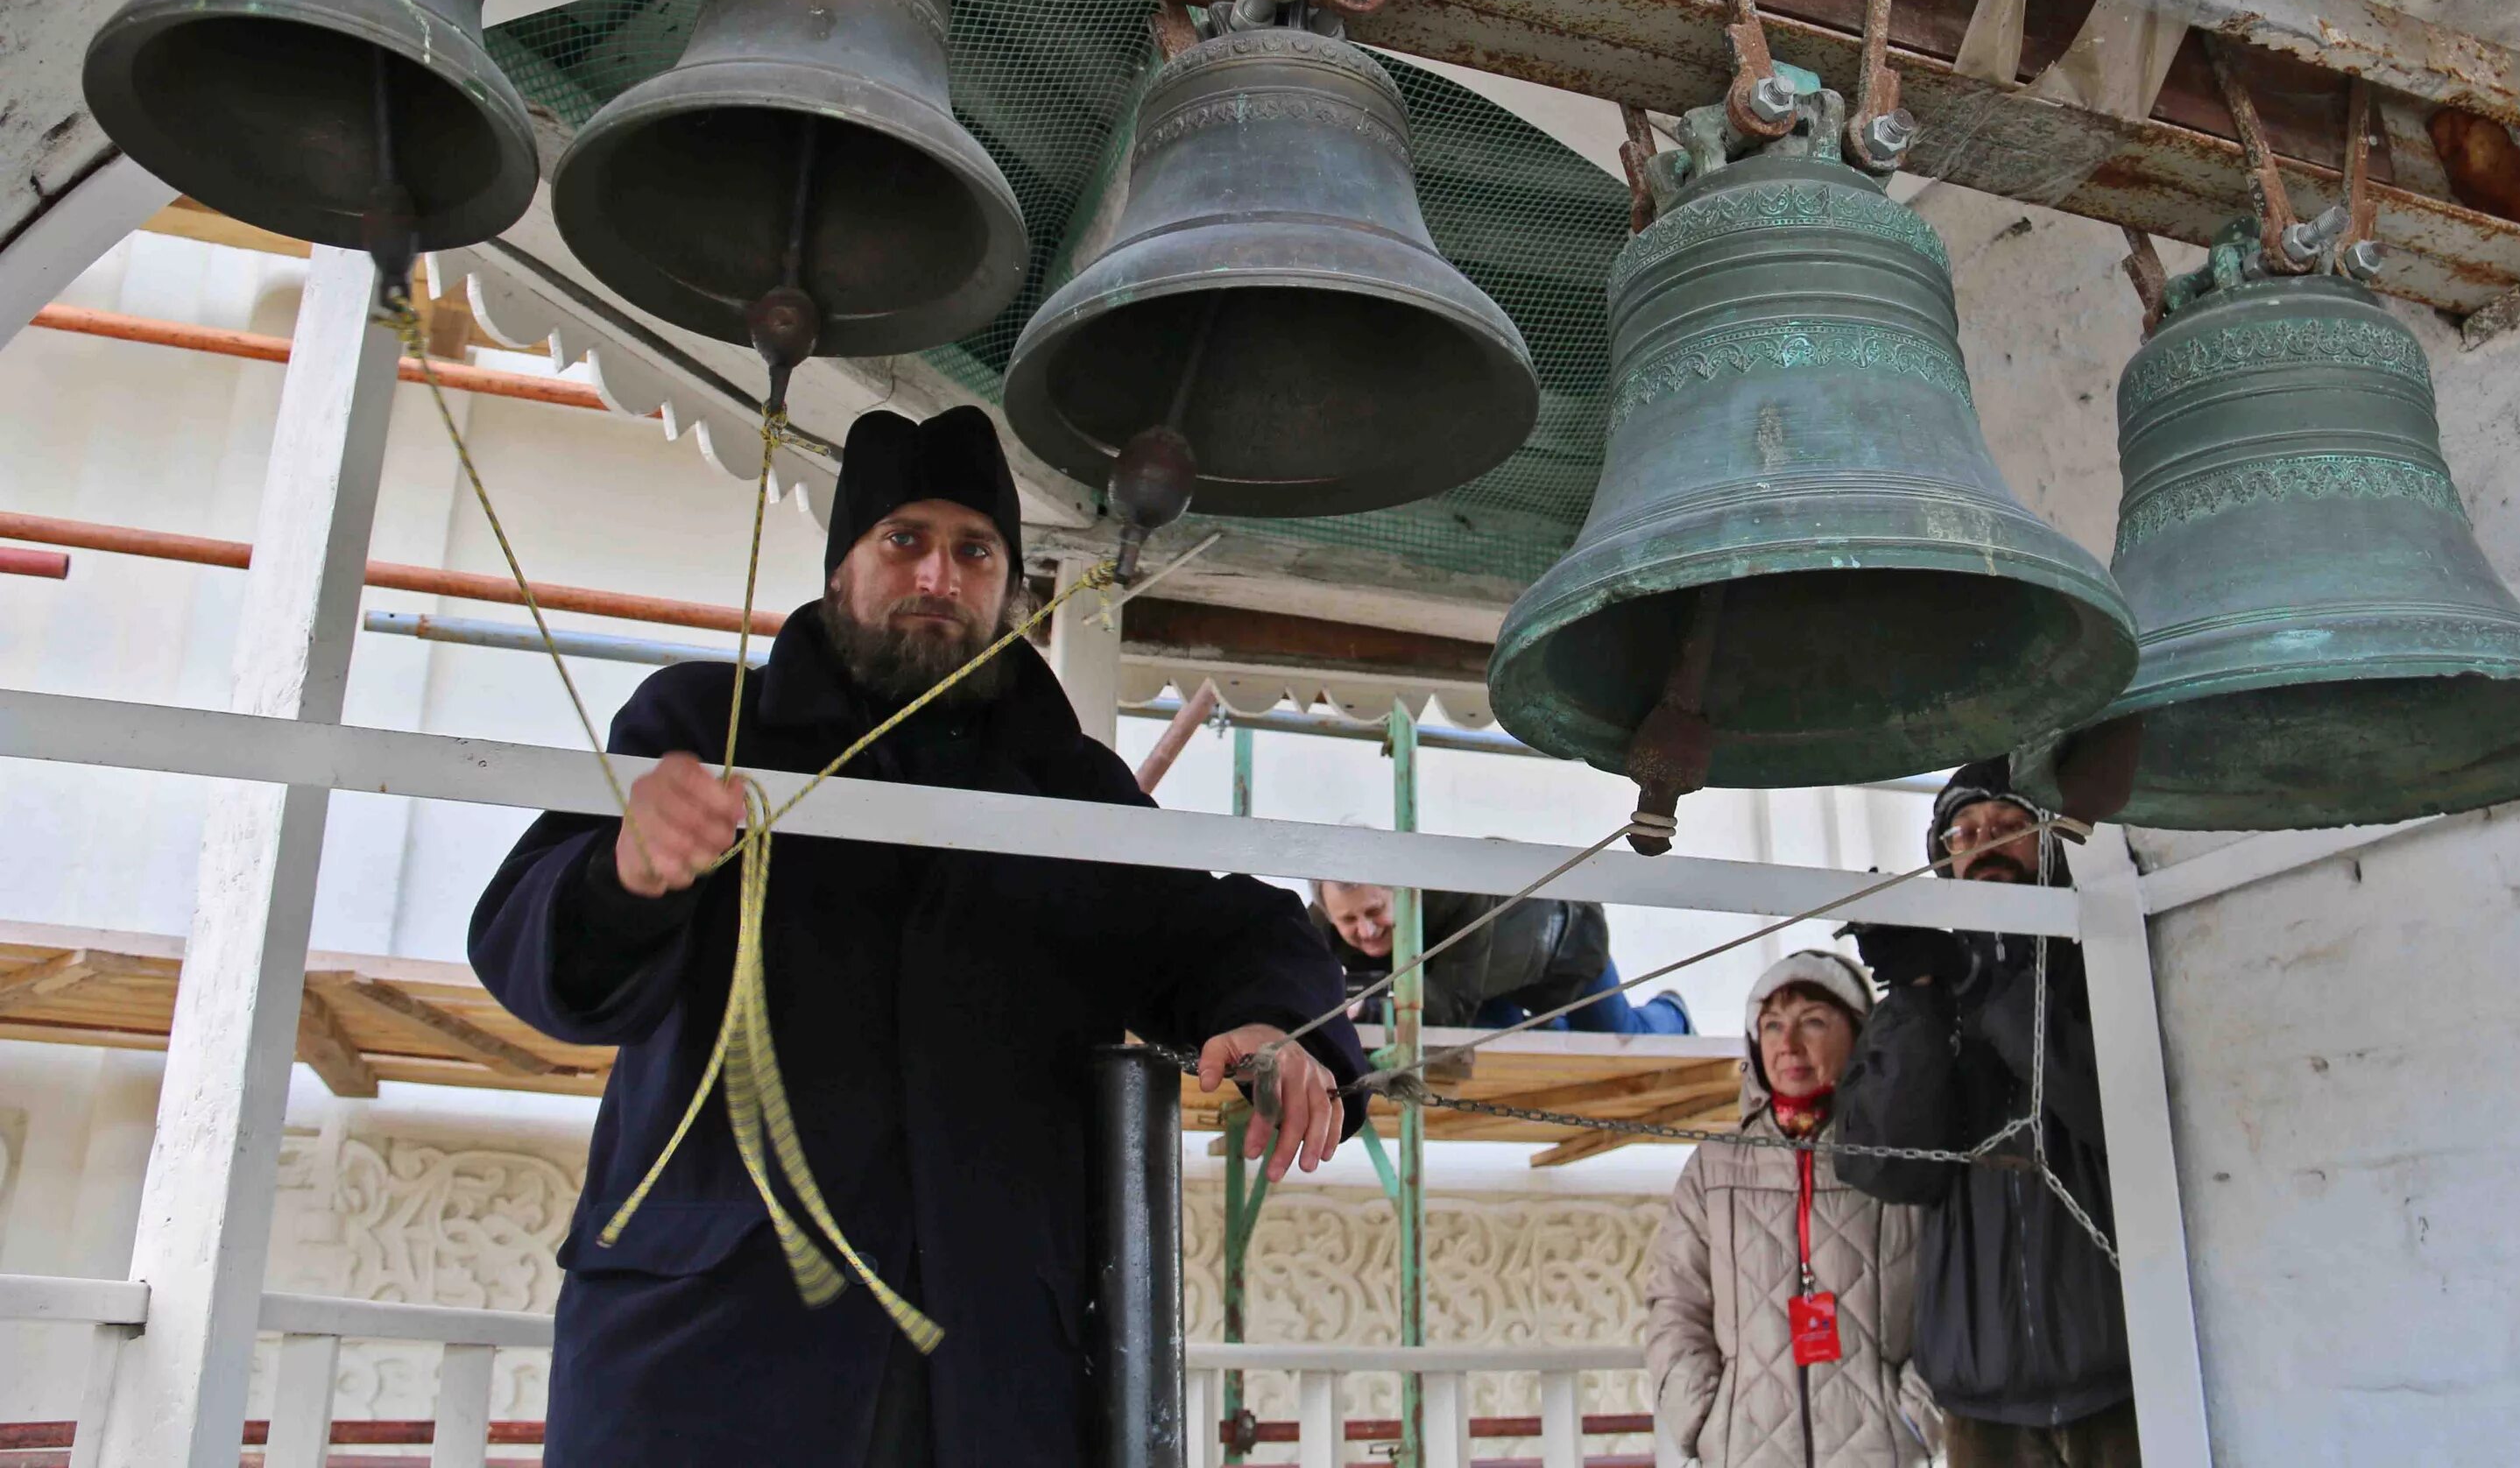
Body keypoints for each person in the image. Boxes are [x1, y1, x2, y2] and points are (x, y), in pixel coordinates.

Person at [469, 406, 1367, 1468]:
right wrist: (625, 870)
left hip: (988, 1381)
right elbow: (530, 949)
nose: (939, 576)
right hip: (710, 1363)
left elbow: (1215, 927)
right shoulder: (704, 730)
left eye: (974, 550)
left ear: (1009, 588)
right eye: (905, 541)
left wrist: (1278, 1022)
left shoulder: (1067, 786)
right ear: (840, 569)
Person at [1832, 759, 2135, 1468]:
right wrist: (1917, 994)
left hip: (2123, 1384)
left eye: (2008, 826)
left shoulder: (2101, 968)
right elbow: (1886, 1166)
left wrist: (1989, 984)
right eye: (1962, 832)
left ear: (2052, 846)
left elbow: (2115, 1115)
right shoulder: (1931, 1001)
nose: (1983, 841)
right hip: (1980, 1401)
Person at [1644, 950, 1937, 1467]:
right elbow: (1674, 1302)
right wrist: (1705, 1420)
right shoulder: (1716, 1169)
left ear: (1860, 1032)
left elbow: (1948, 1296)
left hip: (1879, 1452)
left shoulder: (1898, 1160)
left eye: (1814, 1022)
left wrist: (1914, 1417)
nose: (1789, 1044)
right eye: (1773, 1025)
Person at [1309, 877, 1692, 1034]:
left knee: (1621, 1037)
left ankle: (1672, 1012)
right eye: (1349, 919)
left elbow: (1451, 1006)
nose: (1366, 930)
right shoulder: (1319, 924)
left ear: (1401, 893)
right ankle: (1547, 1028)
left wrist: (1370, 1008)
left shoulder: (1459, 893)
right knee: (1508, 1041)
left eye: (1376, 911)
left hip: (1564, 951)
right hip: (1481, 983)